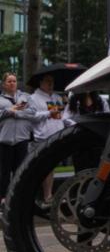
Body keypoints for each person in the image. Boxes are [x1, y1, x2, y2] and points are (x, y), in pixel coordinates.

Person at [23, 74, 74, 205]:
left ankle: (48, 196)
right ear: (40, 83)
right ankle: (32, 196)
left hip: (56, 136)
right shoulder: (33, 98)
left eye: (52, 81)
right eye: (47, 81)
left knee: (51, 168)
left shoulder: (57, 97)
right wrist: (48, 113)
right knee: (38, 168)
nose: (51, 84)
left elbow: (62, 116)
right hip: (41, 138)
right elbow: (31, 116)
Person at [0, 73, 31, 206]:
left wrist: (17, 112)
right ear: (3, 84)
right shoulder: (0, 99)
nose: (12, 83)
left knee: (20, 170)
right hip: (5, 140)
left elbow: (33, 111)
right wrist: (9, 110)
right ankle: (3, 198)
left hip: (22, 139)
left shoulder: (25, 97)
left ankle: (19, 197)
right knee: (4, 172)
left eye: (14, 81)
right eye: (9, 81)